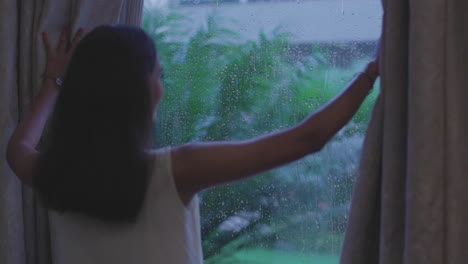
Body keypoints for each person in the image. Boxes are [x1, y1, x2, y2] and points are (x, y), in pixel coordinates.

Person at [6, 25, 379, 263]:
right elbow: (306, 138)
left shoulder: (51, 173)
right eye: (158, 75)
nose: (161, 88)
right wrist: (371, 72)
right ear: (137, 93)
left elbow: (18, 147)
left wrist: (53, 79)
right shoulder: (176, 170)